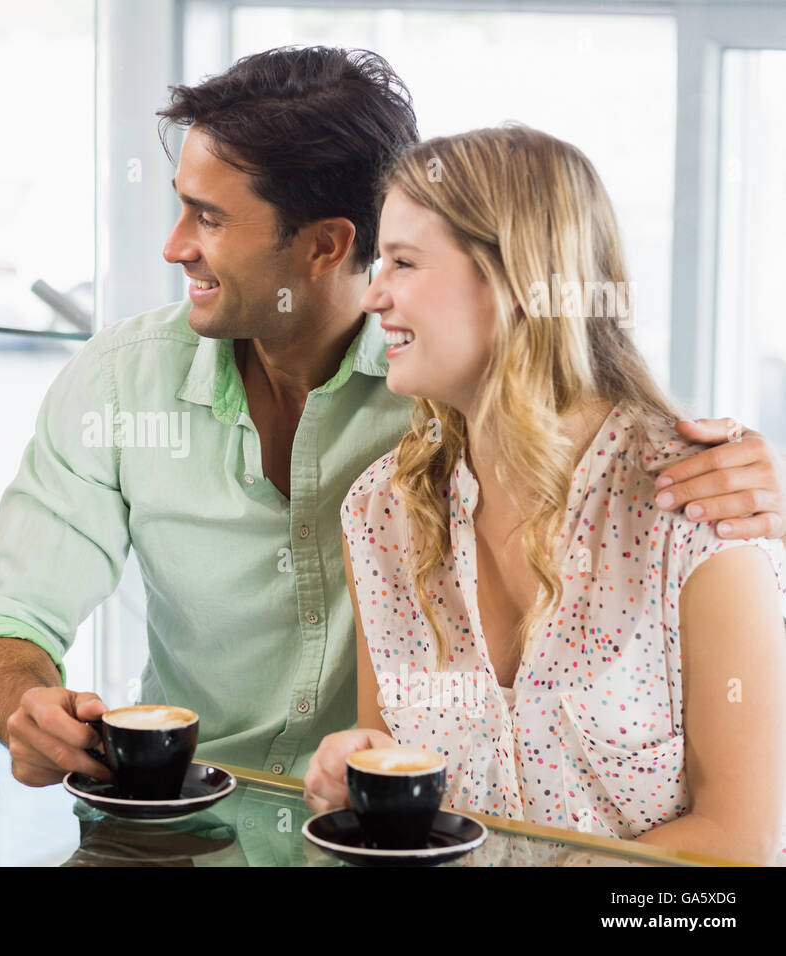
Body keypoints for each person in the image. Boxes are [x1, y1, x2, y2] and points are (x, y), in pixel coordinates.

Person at [0, 47, 786, 785]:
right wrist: (25, 704)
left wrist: (751, 485)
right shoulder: (122, 385)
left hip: (382, 836)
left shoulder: (455, 386)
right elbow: (6, 617)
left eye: (209, 217)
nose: (173, 245)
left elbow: (593, 419)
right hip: (183, 826)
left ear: (325, 246)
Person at [303, 125, 786, 864]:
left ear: (520, 282)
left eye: (403, 262)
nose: (373, 295)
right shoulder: (380, 516)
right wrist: (356, 775)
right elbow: (399, 770)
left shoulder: (696, 512)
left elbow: (741, 846)